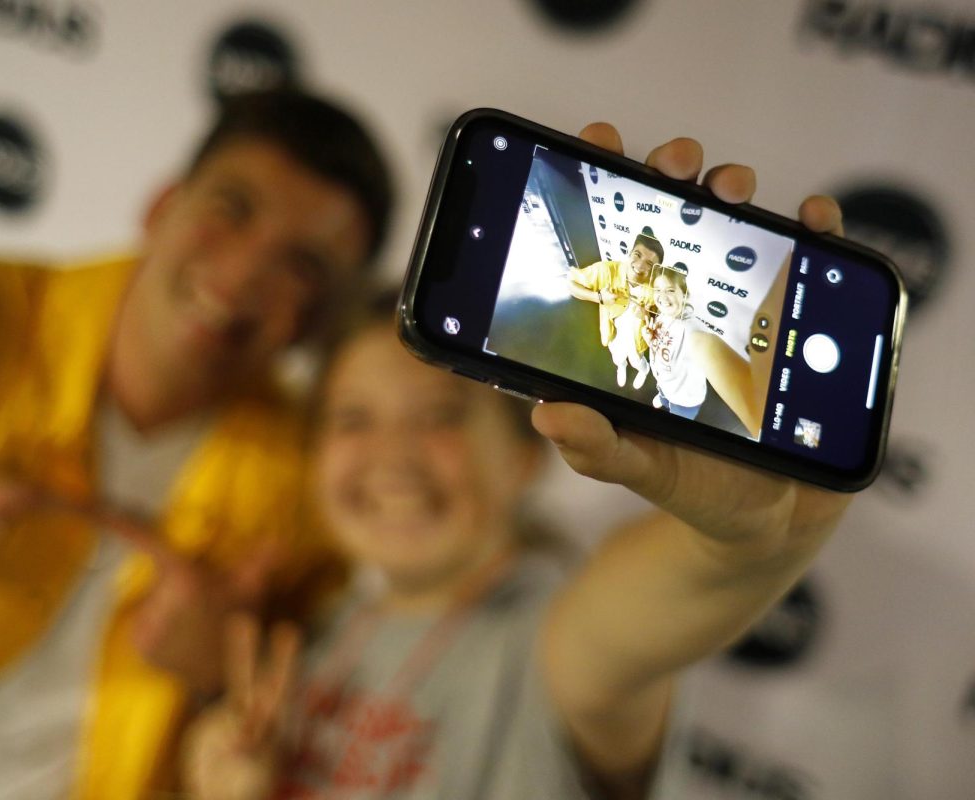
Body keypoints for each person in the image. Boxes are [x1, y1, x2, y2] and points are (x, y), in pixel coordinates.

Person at [180, 126, 854, 800]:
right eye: (352, 419)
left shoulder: (545, 642)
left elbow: (656, 608)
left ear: (526, 454)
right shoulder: (309, 636)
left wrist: (747, 543)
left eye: (441, 415)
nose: (391, 456)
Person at [0, 89, 392, 799]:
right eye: (233, 209)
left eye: (302, 265)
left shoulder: (307, 481)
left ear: (317, 320)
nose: (246, 273)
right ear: (163, 208)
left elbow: (296, 715)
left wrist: (220, 674)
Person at [567, 226, 663, 389]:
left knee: (637, 360)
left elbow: (662, 315)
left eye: (649, 263)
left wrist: (646, 314)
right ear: (630, 252)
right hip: (613, 331)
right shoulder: (606, 271)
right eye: (637, 255)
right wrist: (599, 297)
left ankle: (643, 371)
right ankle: (621, 367)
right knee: (617, 357)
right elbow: (571, 283)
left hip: (637, 337)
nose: (640, 265)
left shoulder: (657, 286)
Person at [643, 262, 708, 419]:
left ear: (684, 294)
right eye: (657, 290)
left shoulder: (691, 328)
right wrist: (649, 339)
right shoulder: (663, 314)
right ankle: (664, 400)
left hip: (685, 400)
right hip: (665, 384)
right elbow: (660, 348)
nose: (662, 297)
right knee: (663, 393)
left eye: (670, 290)